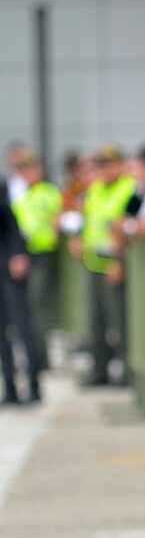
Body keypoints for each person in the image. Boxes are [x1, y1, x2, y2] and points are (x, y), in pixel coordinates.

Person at [75, 144, 138, 387]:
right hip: (93, 262)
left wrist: (118, 262)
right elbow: (90, 220)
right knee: (96, 321)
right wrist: (79, 239)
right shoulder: (96, 189)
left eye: (111, 164)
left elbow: (129, 227)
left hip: (115, 263)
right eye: (103, 165)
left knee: (120, 322)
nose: (106, 170)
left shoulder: (129, 188)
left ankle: (128, 372)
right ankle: (99, 370)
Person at [10, 150, 63, 372]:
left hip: (42, 255)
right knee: (25, 310)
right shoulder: (23, 195)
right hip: (23, 255)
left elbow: (56, 223)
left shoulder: (48, 193)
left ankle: (40, 359)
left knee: (37, 308)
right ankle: (33, 356)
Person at [0, 162, 40, 404]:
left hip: (8, 268)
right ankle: (10, 389)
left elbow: (9, 221)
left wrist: (17, 254)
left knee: (23, 328)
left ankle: (33, 387)